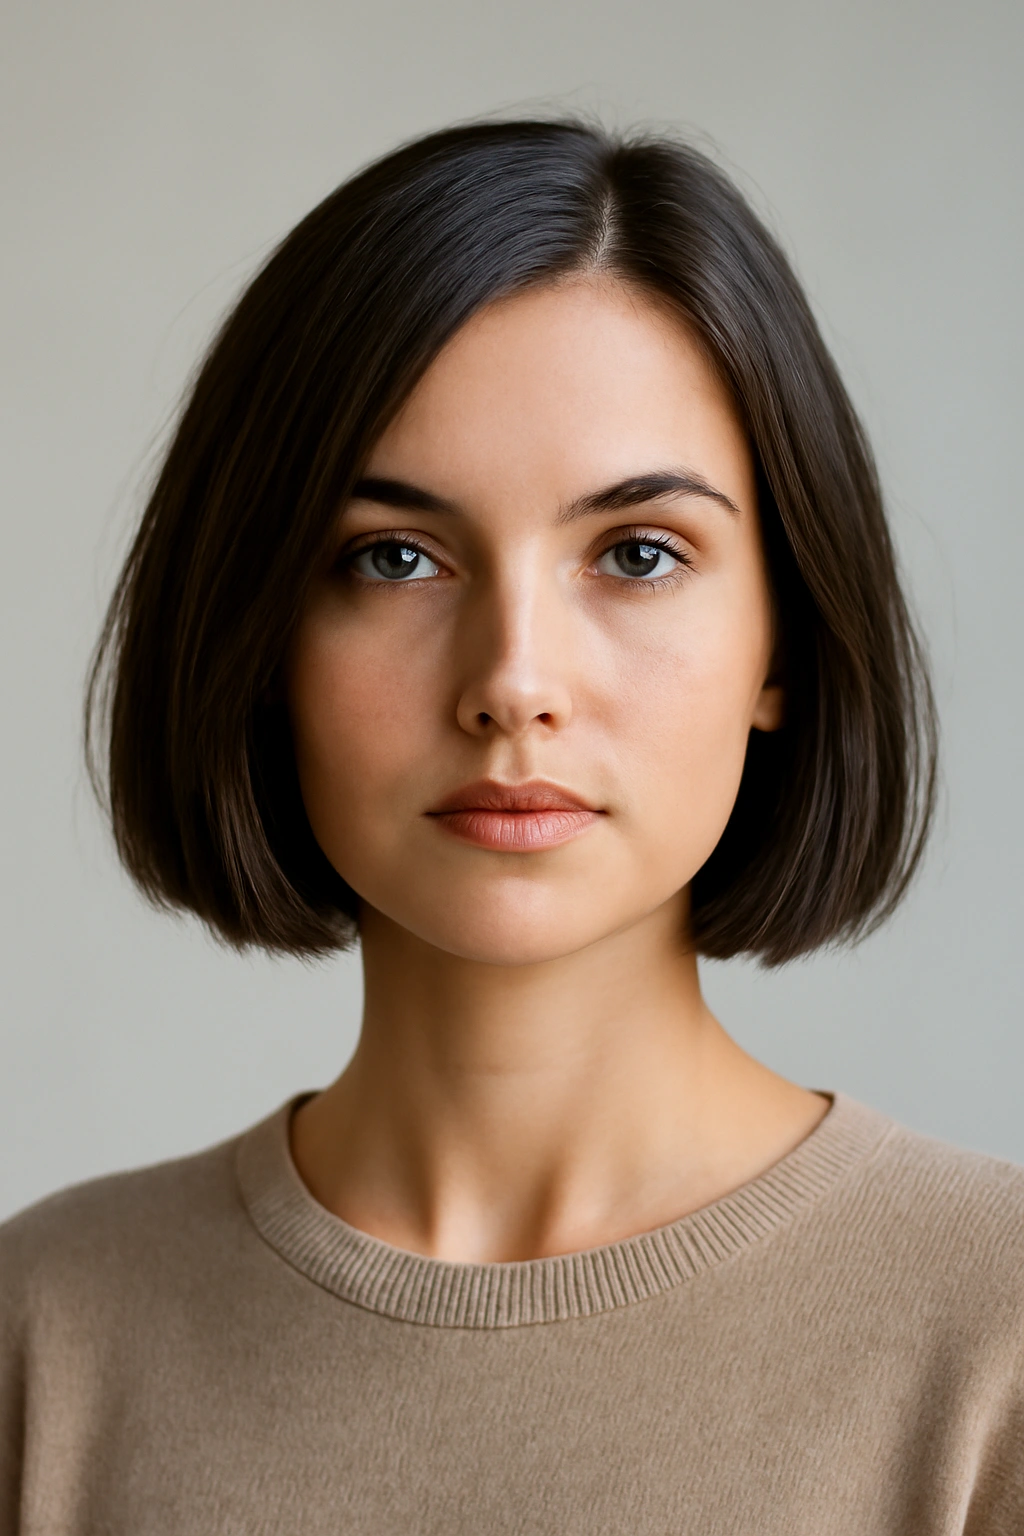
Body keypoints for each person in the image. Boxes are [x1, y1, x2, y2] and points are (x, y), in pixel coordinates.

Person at [1, 117, 1021, 1533]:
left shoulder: (996, 1337)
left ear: (780, 645)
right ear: (258, 641)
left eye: (640, 554)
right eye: (396, 557)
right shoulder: (42, 1342)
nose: (513, 683)